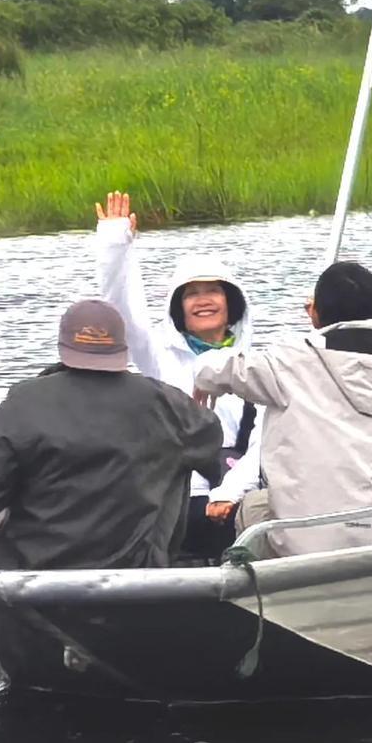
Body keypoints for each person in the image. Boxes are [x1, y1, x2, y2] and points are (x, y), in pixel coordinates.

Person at [0, 301, 223, 572]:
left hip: (40, 571)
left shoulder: (25, 403)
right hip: (138, 567)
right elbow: (211, 447)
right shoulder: (168, 403)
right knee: (182, 461)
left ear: (64, 347)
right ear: (122, 350)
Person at [192, 262, 372, 555]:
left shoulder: (290, 361)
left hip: (301, 545)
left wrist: (203, 382)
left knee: (254, 504)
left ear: (315, 313)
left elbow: (212, 366)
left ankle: (259, 591)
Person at [94, 190, 261, 556]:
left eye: (213, 291)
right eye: (191, 294)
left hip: (240, 498)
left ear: (230, 302)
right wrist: (115, 243)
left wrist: (229, 492)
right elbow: (122, 308)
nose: (203, 300)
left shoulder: (257, 366)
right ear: (178, 307)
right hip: (177, 499)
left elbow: (266, 443)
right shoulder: (158, 356)